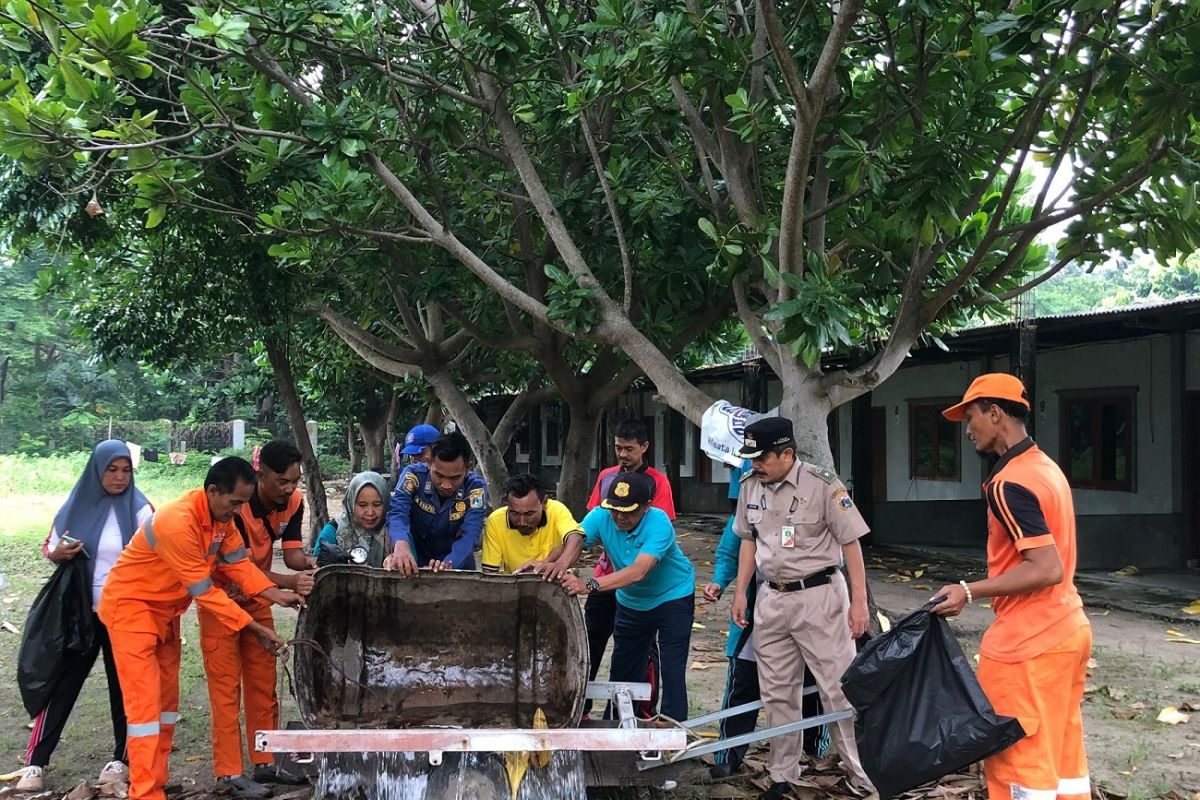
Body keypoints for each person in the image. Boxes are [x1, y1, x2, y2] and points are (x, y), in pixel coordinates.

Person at [97, 457, 305, 800]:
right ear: (212, 491)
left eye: (242, 503)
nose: (238, 511)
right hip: (131, 613)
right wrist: (253, 626)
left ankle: (156, 782)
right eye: (234, 502)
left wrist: (276, 594)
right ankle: (146, 793)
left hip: (165, 614)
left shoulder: (221, 519)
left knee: (166, 705)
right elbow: (204, 592)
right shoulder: (177, 522)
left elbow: (239, 564)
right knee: (145, 709)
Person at [933, 374, 1091, 800]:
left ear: (995, 413)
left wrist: (969, 591)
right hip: (1068, 629)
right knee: (1062, 755)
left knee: (1017, 760)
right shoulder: (1046, 468)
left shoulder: (1008, 484)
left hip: (1027, 642)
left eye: (971, 418)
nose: (967, 430)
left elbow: (1046, 567)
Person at [730, 417, 873, 800]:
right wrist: (741, 591)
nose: (754, 466)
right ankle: (782, 774)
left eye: (761, 459)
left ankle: (862, 775)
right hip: (772, 600)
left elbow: (852, 544)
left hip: (820, 598)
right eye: (751, 459)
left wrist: (859, 603)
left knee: (838, 689)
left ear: (787, 454)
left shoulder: (823, 485)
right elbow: (747, 539)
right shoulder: (750, 487)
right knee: (777, 691)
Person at [9, 441, 153, 793]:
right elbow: (51, 547)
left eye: (126, 471)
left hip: (124, 615)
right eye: (111, 470)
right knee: (61, 686)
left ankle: (121, 760)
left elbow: (155, 557)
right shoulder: (74, 506)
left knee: (125, 690)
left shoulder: (141, 510)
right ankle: (35, 763)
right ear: (96, 470)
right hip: (80, 613)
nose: (119, 478)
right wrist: (58, 554)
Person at [197, 442, 313, 797]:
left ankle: (265, 763)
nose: (289, 489)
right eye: (282, 481)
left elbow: (292, 555)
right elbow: (240, 568)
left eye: (294, 481)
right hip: (223, 601)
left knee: (264, 681)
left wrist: (311, 568)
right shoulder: (237, 506)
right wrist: (286, 585)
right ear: (259, 475)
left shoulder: (294, 502)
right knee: (226, 688)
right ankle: (230, 772)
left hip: (258, 597)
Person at [703, 461, 829, 779]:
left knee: (810, 684)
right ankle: (729, 755)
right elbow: (730, 552)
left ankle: (814, 753)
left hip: (808, 614)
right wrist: (722, 583)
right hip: (758, 614)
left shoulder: (814, 504)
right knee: (744, 681)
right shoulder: (748, 512)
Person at [550, 472, 695, 722]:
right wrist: (552, 563)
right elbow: (575, 540)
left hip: (673, 598)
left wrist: (589, 584)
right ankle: (618, 726)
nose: (620, 517)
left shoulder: (659, 523)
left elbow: (638, 571)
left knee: (672, 668)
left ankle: (673, 728)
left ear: (647, 507)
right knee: (624, 668)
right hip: (632, 602)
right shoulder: (601, 516)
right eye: (615, 510)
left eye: (628, 511)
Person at [583, 419, 675, 716]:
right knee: (589, 644)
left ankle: (640, 711)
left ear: (645, 447)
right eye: (618, 448)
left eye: (629, 448)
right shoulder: (606, 477)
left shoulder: (658, 483)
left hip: (639, 584)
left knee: (643, 651)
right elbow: (593, 523)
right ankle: (580, 708)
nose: (622, 454)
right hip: (604, 575)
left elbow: (656, 532)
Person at [384, 431, 488, 573]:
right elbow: (397, 512)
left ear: (468, 468)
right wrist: (401, 542)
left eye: (455, 478)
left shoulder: (476, 488)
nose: (446, 485)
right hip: (414, 563)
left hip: (457, 566)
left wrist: (449, 564)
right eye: (439, 475)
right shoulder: (412, 476)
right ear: (428, 463)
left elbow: (471, 533)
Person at [481, 473, 583, 575]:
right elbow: (490, 573)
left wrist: (559, 566)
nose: (522, 522)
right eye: (514, 513)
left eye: (529, 514)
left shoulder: (556, 510)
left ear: (544, 503)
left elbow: (575, 538)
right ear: (506, 504)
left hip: (553, 581)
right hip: (514, 586)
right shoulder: (495, 521)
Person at [313, 471, 390, 567]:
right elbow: (316, 570)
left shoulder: (397, 535)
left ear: (386, 503)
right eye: (362, 505)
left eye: (377, 505)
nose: (370, 512)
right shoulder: (333, 531)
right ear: (350, 503)